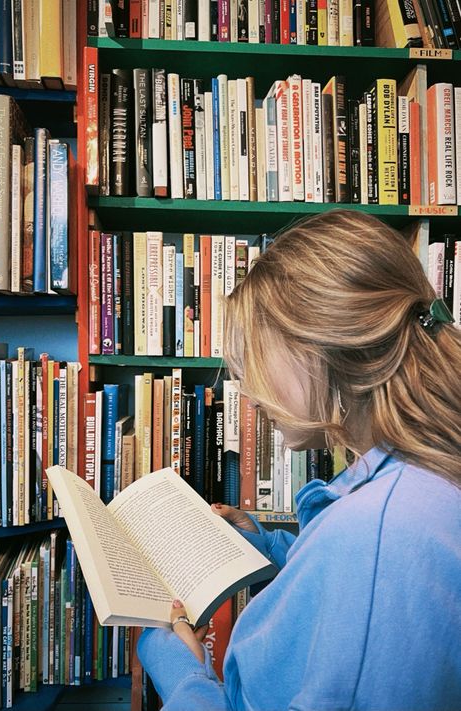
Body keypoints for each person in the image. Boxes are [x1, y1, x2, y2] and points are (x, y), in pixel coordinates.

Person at [137, 210, 461, 710]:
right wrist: (267, 547)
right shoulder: (408, 475)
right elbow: (361, 598)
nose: (247, 390)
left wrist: (181, 676)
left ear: (320, 346)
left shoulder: (382, 532)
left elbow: (375, 570)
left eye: (257, 358)